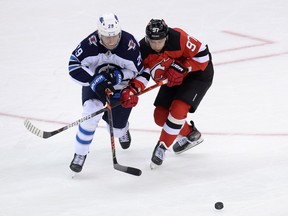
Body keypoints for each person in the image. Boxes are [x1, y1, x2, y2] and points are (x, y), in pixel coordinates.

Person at [68, 13, 149, 173]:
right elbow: (73, 66)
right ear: (99, 34)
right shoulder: (89, 44)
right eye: (106, 37)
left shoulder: (129, 45)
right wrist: (93, 81)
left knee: (116, 130)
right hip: (95, 85)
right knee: (90, 112)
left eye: (114, 36)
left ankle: (123, 128)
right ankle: (80, 153)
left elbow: (140, 71)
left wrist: (119, 76)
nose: (111, 41)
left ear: (119, 32)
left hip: (121, 88)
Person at [139, 19, 214, 167]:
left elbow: (204, 56)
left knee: (178, 110)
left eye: (159, 41)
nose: (155, 46)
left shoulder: (178, 37)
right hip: (172, 77)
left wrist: (184, 67)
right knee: (160, 117)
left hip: (197, 74)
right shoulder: (143, 48)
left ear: (166, 37)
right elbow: (142, 73)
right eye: (151, 41)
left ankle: (162, 147)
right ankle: (191, 134)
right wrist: (132, 89)